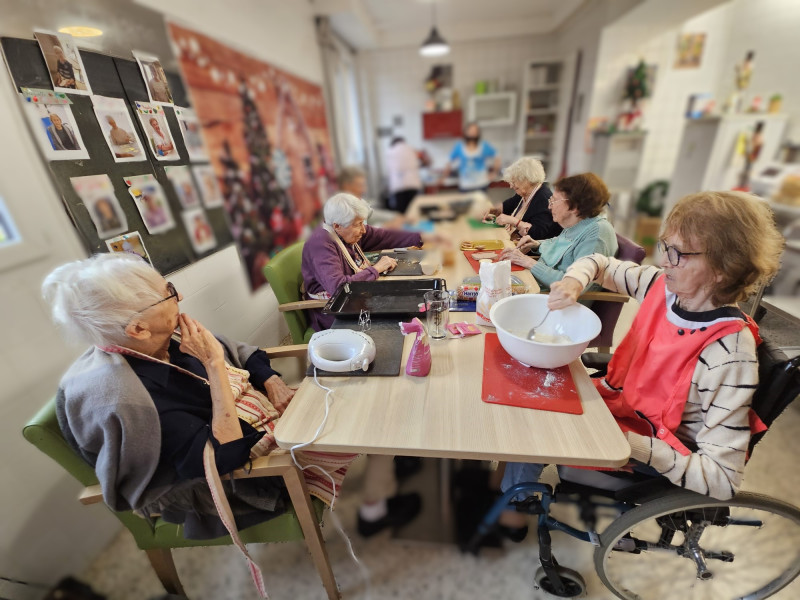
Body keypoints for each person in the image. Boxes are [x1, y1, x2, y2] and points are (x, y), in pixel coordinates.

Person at [498, 190, 784, 538]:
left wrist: (632, 447)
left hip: (650, 448)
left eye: (679, 254)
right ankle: (513, 490)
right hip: (621, 408)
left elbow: (722, 479)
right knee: (532, 398)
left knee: (536, 418)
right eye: (666, 247)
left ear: (725, 268)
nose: (665, 262)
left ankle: (515, 503)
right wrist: (575, 280)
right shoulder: (663, 288)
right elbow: (600, 263)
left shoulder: (728, 355)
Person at [43, 253, 355, 539]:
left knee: (352, 399)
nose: (178, 297)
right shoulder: (132, 400)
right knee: (356, 427)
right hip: (231, 481)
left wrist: (272, 381)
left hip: (247, 427)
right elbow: (225, 457)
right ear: (137, 329)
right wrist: (215, 365)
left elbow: (243, 353)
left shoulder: (161, 336)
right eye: (169, 292)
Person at [499, 172, 617, 290]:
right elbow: (561, 243)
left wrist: (529, 262)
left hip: (556, 301)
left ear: (574, 206)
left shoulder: (597, 234)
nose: (549, 207)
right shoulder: (579, 222)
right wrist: (537, 245)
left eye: (554, 201)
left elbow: (572, 286)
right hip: (537, 286)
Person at [482, 156, 560, 242]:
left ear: (526, 180)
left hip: (530, 250)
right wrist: (490, 210)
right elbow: (506, 206)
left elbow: (538, 233)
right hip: (514, 240)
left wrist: (514, 221)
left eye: (514, 182)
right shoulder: (524, 193)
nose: (511, 186)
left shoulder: (543, 199)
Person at [441, 122, 500, 192]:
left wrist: (495, 172)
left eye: (475, 131)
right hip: (465, 186)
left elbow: (497, 155)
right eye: (471, 131)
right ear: (466, 132)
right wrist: (444, 177)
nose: (473, 133)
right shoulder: (459, 146)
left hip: (481, 185)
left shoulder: (484, 145)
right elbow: (449, 161)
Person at [385, 137, 422, 213]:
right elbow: (420, 163)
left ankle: (403, 223)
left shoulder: (390, 151)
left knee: (401, 210)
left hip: (398, 185)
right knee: (413, 208)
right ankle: (413, 223)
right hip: (413, 184)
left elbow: (389, 169)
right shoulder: (412, 149)